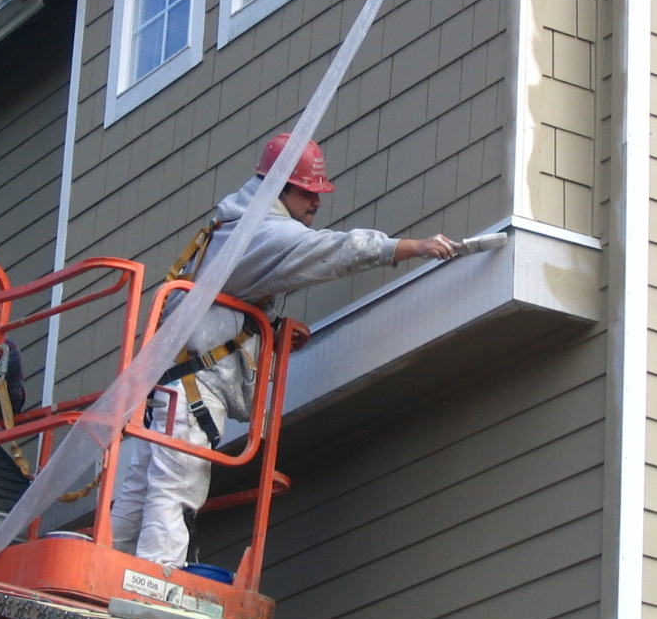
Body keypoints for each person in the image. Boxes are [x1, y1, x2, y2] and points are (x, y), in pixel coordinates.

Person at [110, 133, 460, 567]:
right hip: (194, 380)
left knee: (143, 484)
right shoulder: (264, 232)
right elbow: (335, 250)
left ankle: (106, 571)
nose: (316, 202)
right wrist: (410, 247)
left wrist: (268, 329)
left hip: (172, 374)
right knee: (177, 483)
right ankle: (152, 591)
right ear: (280, 187)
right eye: (307, 192)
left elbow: (227, 298)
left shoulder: (235, 221)